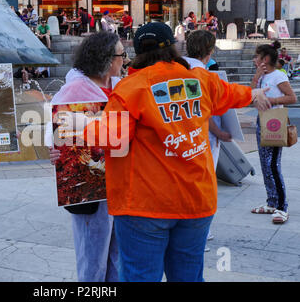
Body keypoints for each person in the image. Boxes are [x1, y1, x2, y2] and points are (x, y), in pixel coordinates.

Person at [80, 22, 271, 282]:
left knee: (140, 276)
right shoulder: (201, 78)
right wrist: (254, 93)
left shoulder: (131, 88)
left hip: (144, 205)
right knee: (189, 276)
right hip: (196, 201)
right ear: (173, 46)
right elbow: (231, 93)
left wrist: (86, 126)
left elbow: (112, 139)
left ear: (137, 51)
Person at [48, 32, 125, 282]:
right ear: (106, 59)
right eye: (121, 55)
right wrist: (56, 149)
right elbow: (57, 129)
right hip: (90, 189)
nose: (124, 60)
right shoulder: (75, 90)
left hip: (120, 184)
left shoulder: (117, 85)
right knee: (93, 256)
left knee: (116, 254)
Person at [184, 30, 232, 252]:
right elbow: (205, 111)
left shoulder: (180, 69)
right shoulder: (202, 75)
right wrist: (220, 133)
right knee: (203, 185)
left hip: (184, 136)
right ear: (210, 50)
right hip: (204, 137)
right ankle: (199, 233)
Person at [250, 41, 297, 224]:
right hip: (262, 121)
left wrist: (272, 100)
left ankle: (282, 207)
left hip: (275, 122)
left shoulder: (278, 76)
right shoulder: (263, 76)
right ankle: (271, 202)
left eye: (257, 56)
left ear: (266, 59)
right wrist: (256, 76)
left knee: (273, 166)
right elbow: (251, 93)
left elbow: (292, 97)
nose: (254, 59)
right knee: (264, 165)